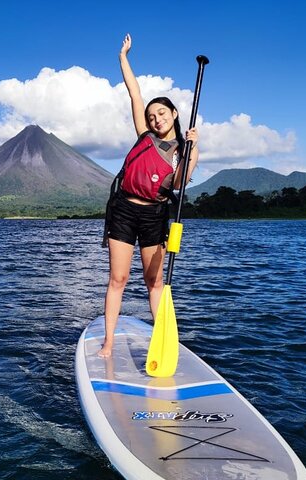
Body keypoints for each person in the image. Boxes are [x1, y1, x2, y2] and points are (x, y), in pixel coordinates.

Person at [98, 33, 200, 358]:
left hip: (156, 215)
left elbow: (180, 183)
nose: (155, 118)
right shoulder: (143, 135)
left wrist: (194, 152)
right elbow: (134, 93)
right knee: (119, 277)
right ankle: (109, 342)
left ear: (174, 114)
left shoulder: (182, 150)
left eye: (162, 114)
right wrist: (123, 58)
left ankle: (165, 342)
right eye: (152, 115)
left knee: (154, 282)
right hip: (125, 210)